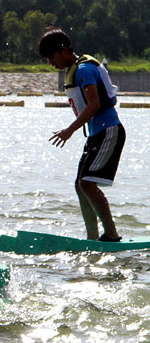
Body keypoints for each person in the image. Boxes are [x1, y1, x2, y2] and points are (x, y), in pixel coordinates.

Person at [39, 28, 124, 242]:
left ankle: (111, 234)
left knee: (86, 183)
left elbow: (94, 104)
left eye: (51, 57)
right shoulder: (76, 69)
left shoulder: (85, 70)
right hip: (96, 133)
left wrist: (69, 131)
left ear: (64, 50)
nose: (50, 63)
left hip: (109, 131)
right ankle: (92, 238)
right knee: (80, 185)